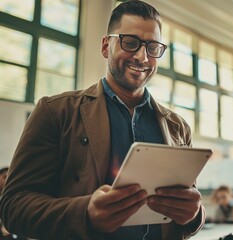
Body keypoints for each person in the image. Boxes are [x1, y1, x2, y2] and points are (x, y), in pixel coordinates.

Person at [0, 1, 204, 239]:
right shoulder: (55, 112)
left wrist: (195, 213)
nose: (142, 56)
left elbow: (189, 204)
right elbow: (13, 207)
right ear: (106, 46)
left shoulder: (177, 127)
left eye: (153, 47)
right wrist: (84, 213)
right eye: (130, 42)